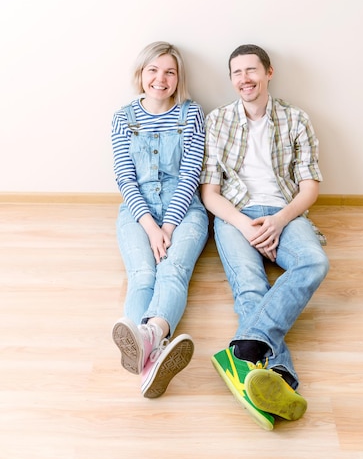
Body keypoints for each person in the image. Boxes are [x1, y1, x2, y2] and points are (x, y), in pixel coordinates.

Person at [200, 44, 329, 430]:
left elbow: (309, 189)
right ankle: (282, 377)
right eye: (237, 73)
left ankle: (246, 346)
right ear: (231, 79)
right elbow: (210, 194)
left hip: (284, 212)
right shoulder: (217, 120)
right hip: (235, 216)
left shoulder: (295, 119)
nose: (245, 79)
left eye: (252, 70)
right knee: (251, 288)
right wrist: (245, 226)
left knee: (314, 261)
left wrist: (277, 222)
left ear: (268, 73)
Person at [111, 41, 208, 399]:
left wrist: (168, 225)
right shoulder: (124, 117)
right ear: (141, 74)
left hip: (184, 211)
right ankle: (153, 354)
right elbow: (125, 178)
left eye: (169, 71)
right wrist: (150, 226)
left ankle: (147, 339)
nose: (160, 78)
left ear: (178, 78)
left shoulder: (190, 113)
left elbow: (190, 175)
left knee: (173, 270)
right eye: (153, 70)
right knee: (142, 275)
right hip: (138, 212)